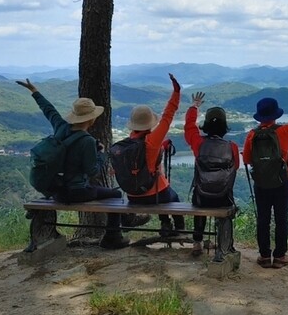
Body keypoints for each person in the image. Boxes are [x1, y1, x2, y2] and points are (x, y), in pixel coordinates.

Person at [16, 78, 130, 249]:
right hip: (76, 192)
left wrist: (35, 91)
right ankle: (113, 237)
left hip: (57, 191)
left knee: (109, 194)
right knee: (115, 195)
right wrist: (101, 155)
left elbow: (49, 110)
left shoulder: (61, 127)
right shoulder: (87, 141)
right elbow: (93, 172)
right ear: (91, 120)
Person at [242, 92, 288, 268]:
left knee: (263, 218)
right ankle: (279, 256)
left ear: (260, 116)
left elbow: (247, 160)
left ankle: (264, 256)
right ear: (275, 115)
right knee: (281, 218)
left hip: (261, 183)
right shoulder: (284, 131)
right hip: (282, 180)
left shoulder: (251, 135)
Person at [123, 73, 185, 237]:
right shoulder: (152, 140)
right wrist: (176, 92)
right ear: (149, 122)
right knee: (171, 194)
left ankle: (166, 225)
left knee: (161, 188)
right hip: (154, 194)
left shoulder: (127, 144)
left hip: (133, 195)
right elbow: (168, 115)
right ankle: (177, 228)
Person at [183, 92, 239, 256]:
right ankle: (225, 244)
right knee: (227, 209)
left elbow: (189, 126)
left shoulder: (198, 143)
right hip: (223, 198)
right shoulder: (232, 146)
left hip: (201, 198)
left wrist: (194, 107)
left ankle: (197, 242)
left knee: (199, 196)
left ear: (206, 125)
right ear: (224, 126)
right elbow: (235, 168)